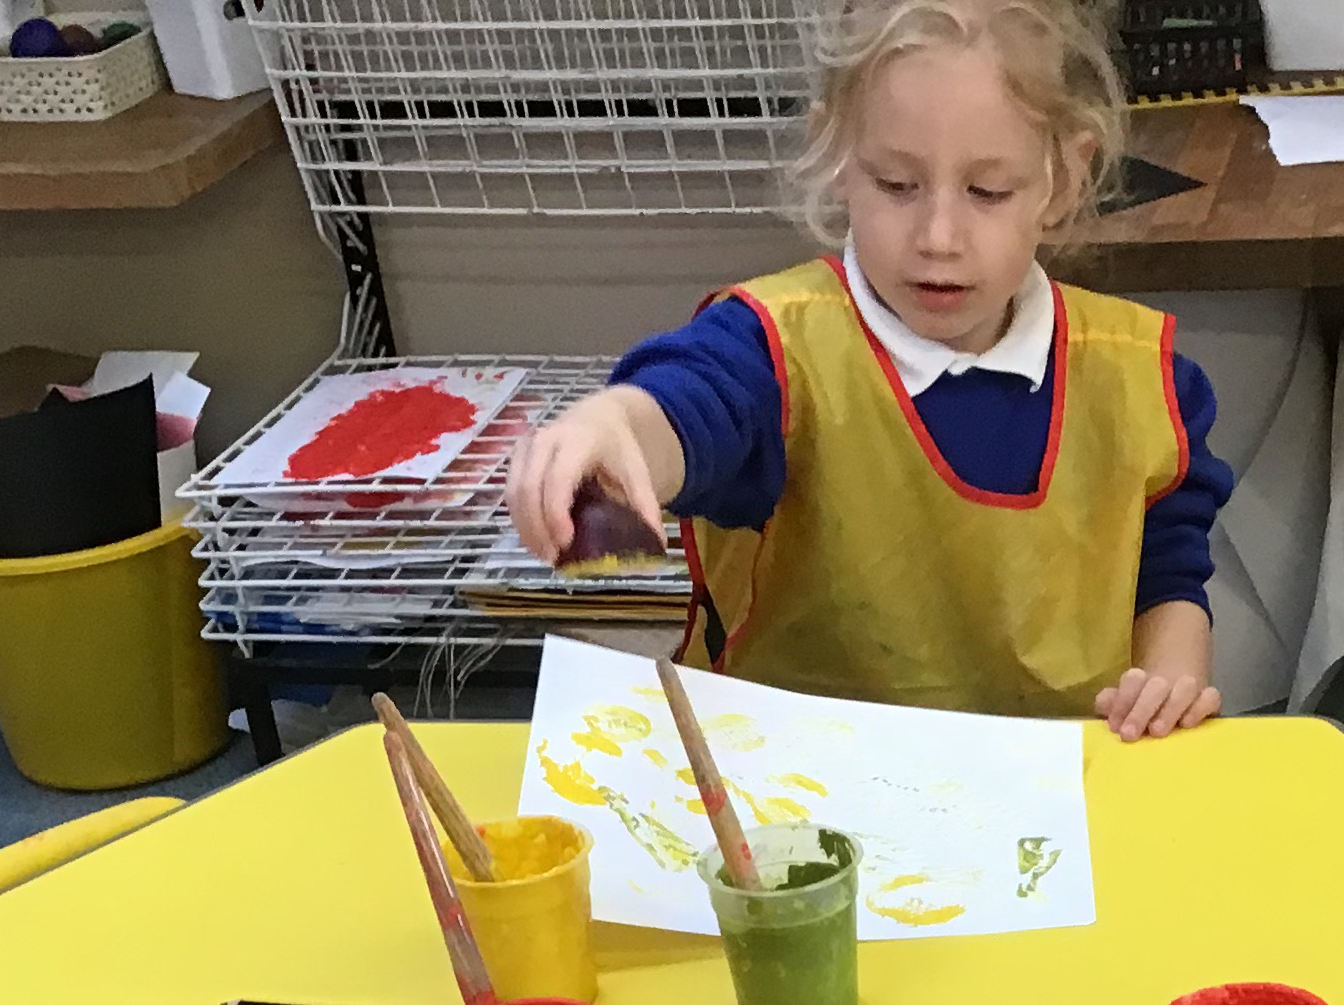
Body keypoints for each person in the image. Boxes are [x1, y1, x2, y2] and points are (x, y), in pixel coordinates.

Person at [505, 0, 1232, 741]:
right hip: (795, 779)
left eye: (987, 192)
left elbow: (1167, 580)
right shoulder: (775, 351)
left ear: (1066, 178)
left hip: (1059, 781)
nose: (938, 237)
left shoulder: (1146, 384)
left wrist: (1167, 689)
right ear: (839, 157)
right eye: (895, 184)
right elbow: (690, 405)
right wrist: (616, 425)